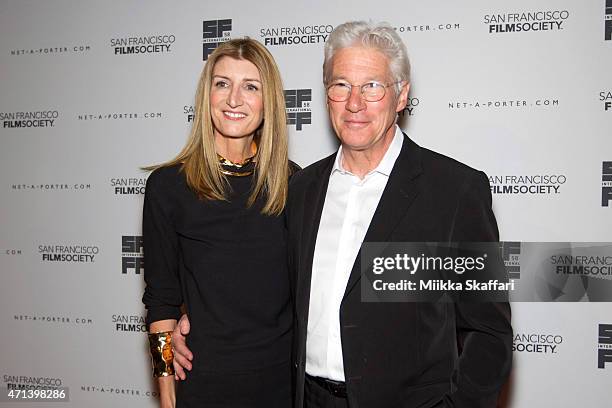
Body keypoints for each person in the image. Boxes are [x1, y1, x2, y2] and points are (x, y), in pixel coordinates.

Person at [172, 21, 513, 408]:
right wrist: (195, 323)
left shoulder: (453, 192)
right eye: (341, 85)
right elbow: (263, 284)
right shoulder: (300, 188)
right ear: (327, 95)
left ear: (401, 95)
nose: (354, 103)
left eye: (372, 86)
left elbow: (488, 332)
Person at [142, 38, 296, 408]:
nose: (233, 99)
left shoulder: (294, 185)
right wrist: (166, 399)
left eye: (251, 87)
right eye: (222, 83)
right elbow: (161, 303)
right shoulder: (169, 186)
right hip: (203, 383)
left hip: (283, 385)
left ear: (267, 101)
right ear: (206, 94)